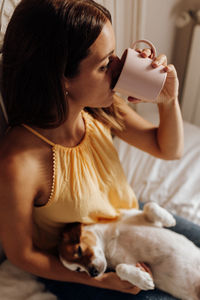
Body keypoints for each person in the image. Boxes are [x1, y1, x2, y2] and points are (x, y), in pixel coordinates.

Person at [0, 0, 199, 299]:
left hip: (127, 219)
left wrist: (168, 100)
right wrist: (98, 281)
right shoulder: (19, 163)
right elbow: (22, 254)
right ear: (61, 78)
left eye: (116, 55)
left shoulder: (98, 110)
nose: (119, 69)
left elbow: (168, 150)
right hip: (82, 264)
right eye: (106, 64)